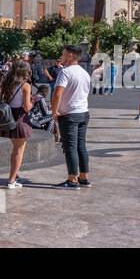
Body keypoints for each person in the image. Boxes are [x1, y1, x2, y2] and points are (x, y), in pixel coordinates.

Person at [50, 45, 92, 189]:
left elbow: (57, 93)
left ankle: (72, 179)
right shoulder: (84, 73)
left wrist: (54, 111)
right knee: (81, 146)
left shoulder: (65, 72)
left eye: (63, 54)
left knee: (70, 147)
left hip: (69, 114)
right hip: (83, 112)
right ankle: (84, 177)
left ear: (70, 56)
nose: (61, 56)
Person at [0, 59, 34, 189]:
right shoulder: (26, 86)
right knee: (19, 150)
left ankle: (14, 175)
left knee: (15, 149)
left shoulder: (4, 83)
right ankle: (11, 180)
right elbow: (27, 107)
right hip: (19, 118)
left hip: (7, 117)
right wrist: (35, 101)